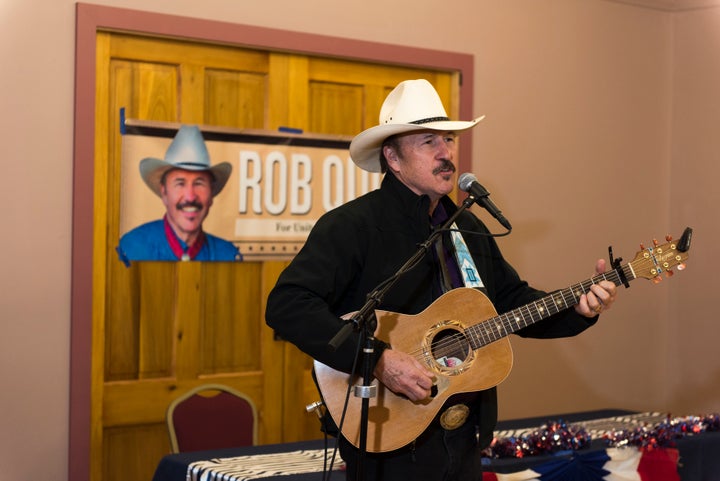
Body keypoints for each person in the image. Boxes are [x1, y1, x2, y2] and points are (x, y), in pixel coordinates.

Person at [265, 79, 618, 481]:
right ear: (393, 158)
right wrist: (379, 360)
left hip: (464, 434)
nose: (446, 153)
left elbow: (511, 302)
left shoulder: (466, 225)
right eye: (428, 141)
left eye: (449, 140)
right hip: (388, 438)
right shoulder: (352, 226)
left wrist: (578, 308)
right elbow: (288, 304)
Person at [117, 125, 241, 264]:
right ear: (164, 192)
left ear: (211, 194)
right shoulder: (132, 249)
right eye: (180, 183)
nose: (190, 196)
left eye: (199, 183)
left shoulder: (227, 256)